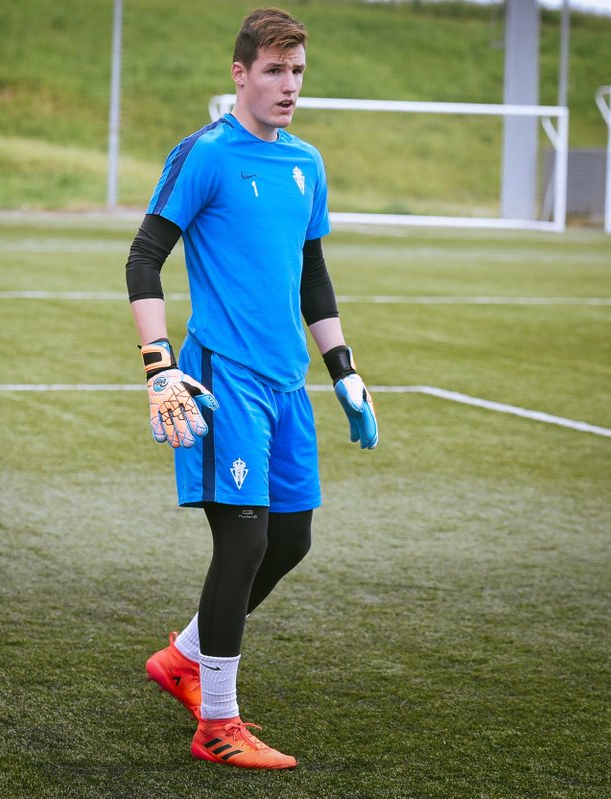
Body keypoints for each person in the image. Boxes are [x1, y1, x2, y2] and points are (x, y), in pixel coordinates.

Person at [124, 7, 377, 770]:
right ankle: (218, 723)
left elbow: (313, 274)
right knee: (244, 536)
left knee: (291, 538)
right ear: (241, 74)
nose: (288, 84)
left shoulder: (307, 162)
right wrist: (159, 363)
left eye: (297, 71)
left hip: (285, 383)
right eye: (273, 70)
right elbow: (144, 258)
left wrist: (345, 371)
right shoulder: (204, 154)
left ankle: (184, 657)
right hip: (220, 378)